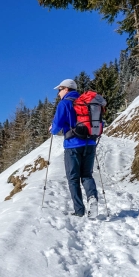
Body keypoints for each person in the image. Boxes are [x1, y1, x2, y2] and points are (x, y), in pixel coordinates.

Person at [50, 79, 98, 218]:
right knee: (87, 175)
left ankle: (79, 210)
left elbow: (56, 127)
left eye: (59, 90)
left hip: (73, 145)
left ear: (66, 89)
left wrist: (52, 129)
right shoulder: (87, 102)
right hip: (90, 143)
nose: (58, 93)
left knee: (73, 178)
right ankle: (92, 198)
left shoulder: (64, 103)